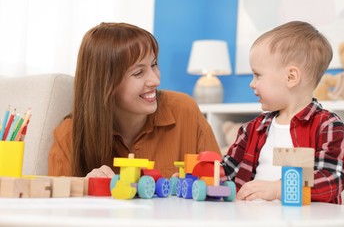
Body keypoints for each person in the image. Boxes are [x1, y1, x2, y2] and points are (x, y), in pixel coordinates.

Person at [48, 22, 220, 178]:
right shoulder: (70, 135)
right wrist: (85, 190)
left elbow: (220, 188)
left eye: (154, 65)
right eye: (138, 73)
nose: (155, 80)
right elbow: (56, 207)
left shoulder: (185, 111)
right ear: (105, 84)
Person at [221, 21, 344, 204]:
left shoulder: (329, 127)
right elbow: (228, 171)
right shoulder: (252, 129)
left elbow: (331, 179)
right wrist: (201, 173)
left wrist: (278, 188)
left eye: (258, 75)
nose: (252, 83)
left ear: (291, 77)